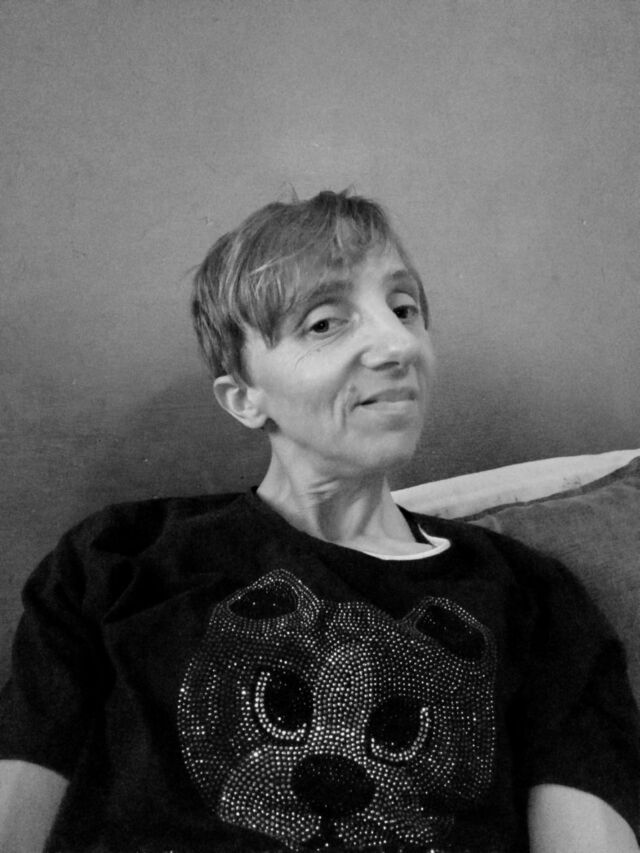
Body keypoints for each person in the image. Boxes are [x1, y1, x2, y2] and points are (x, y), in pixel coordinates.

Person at [0, 190, 638, 853]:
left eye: (404, 309)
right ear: (245, 397)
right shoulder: (118, 559)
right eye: (326, 322)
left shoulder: (534, 597)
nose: (397, 344)